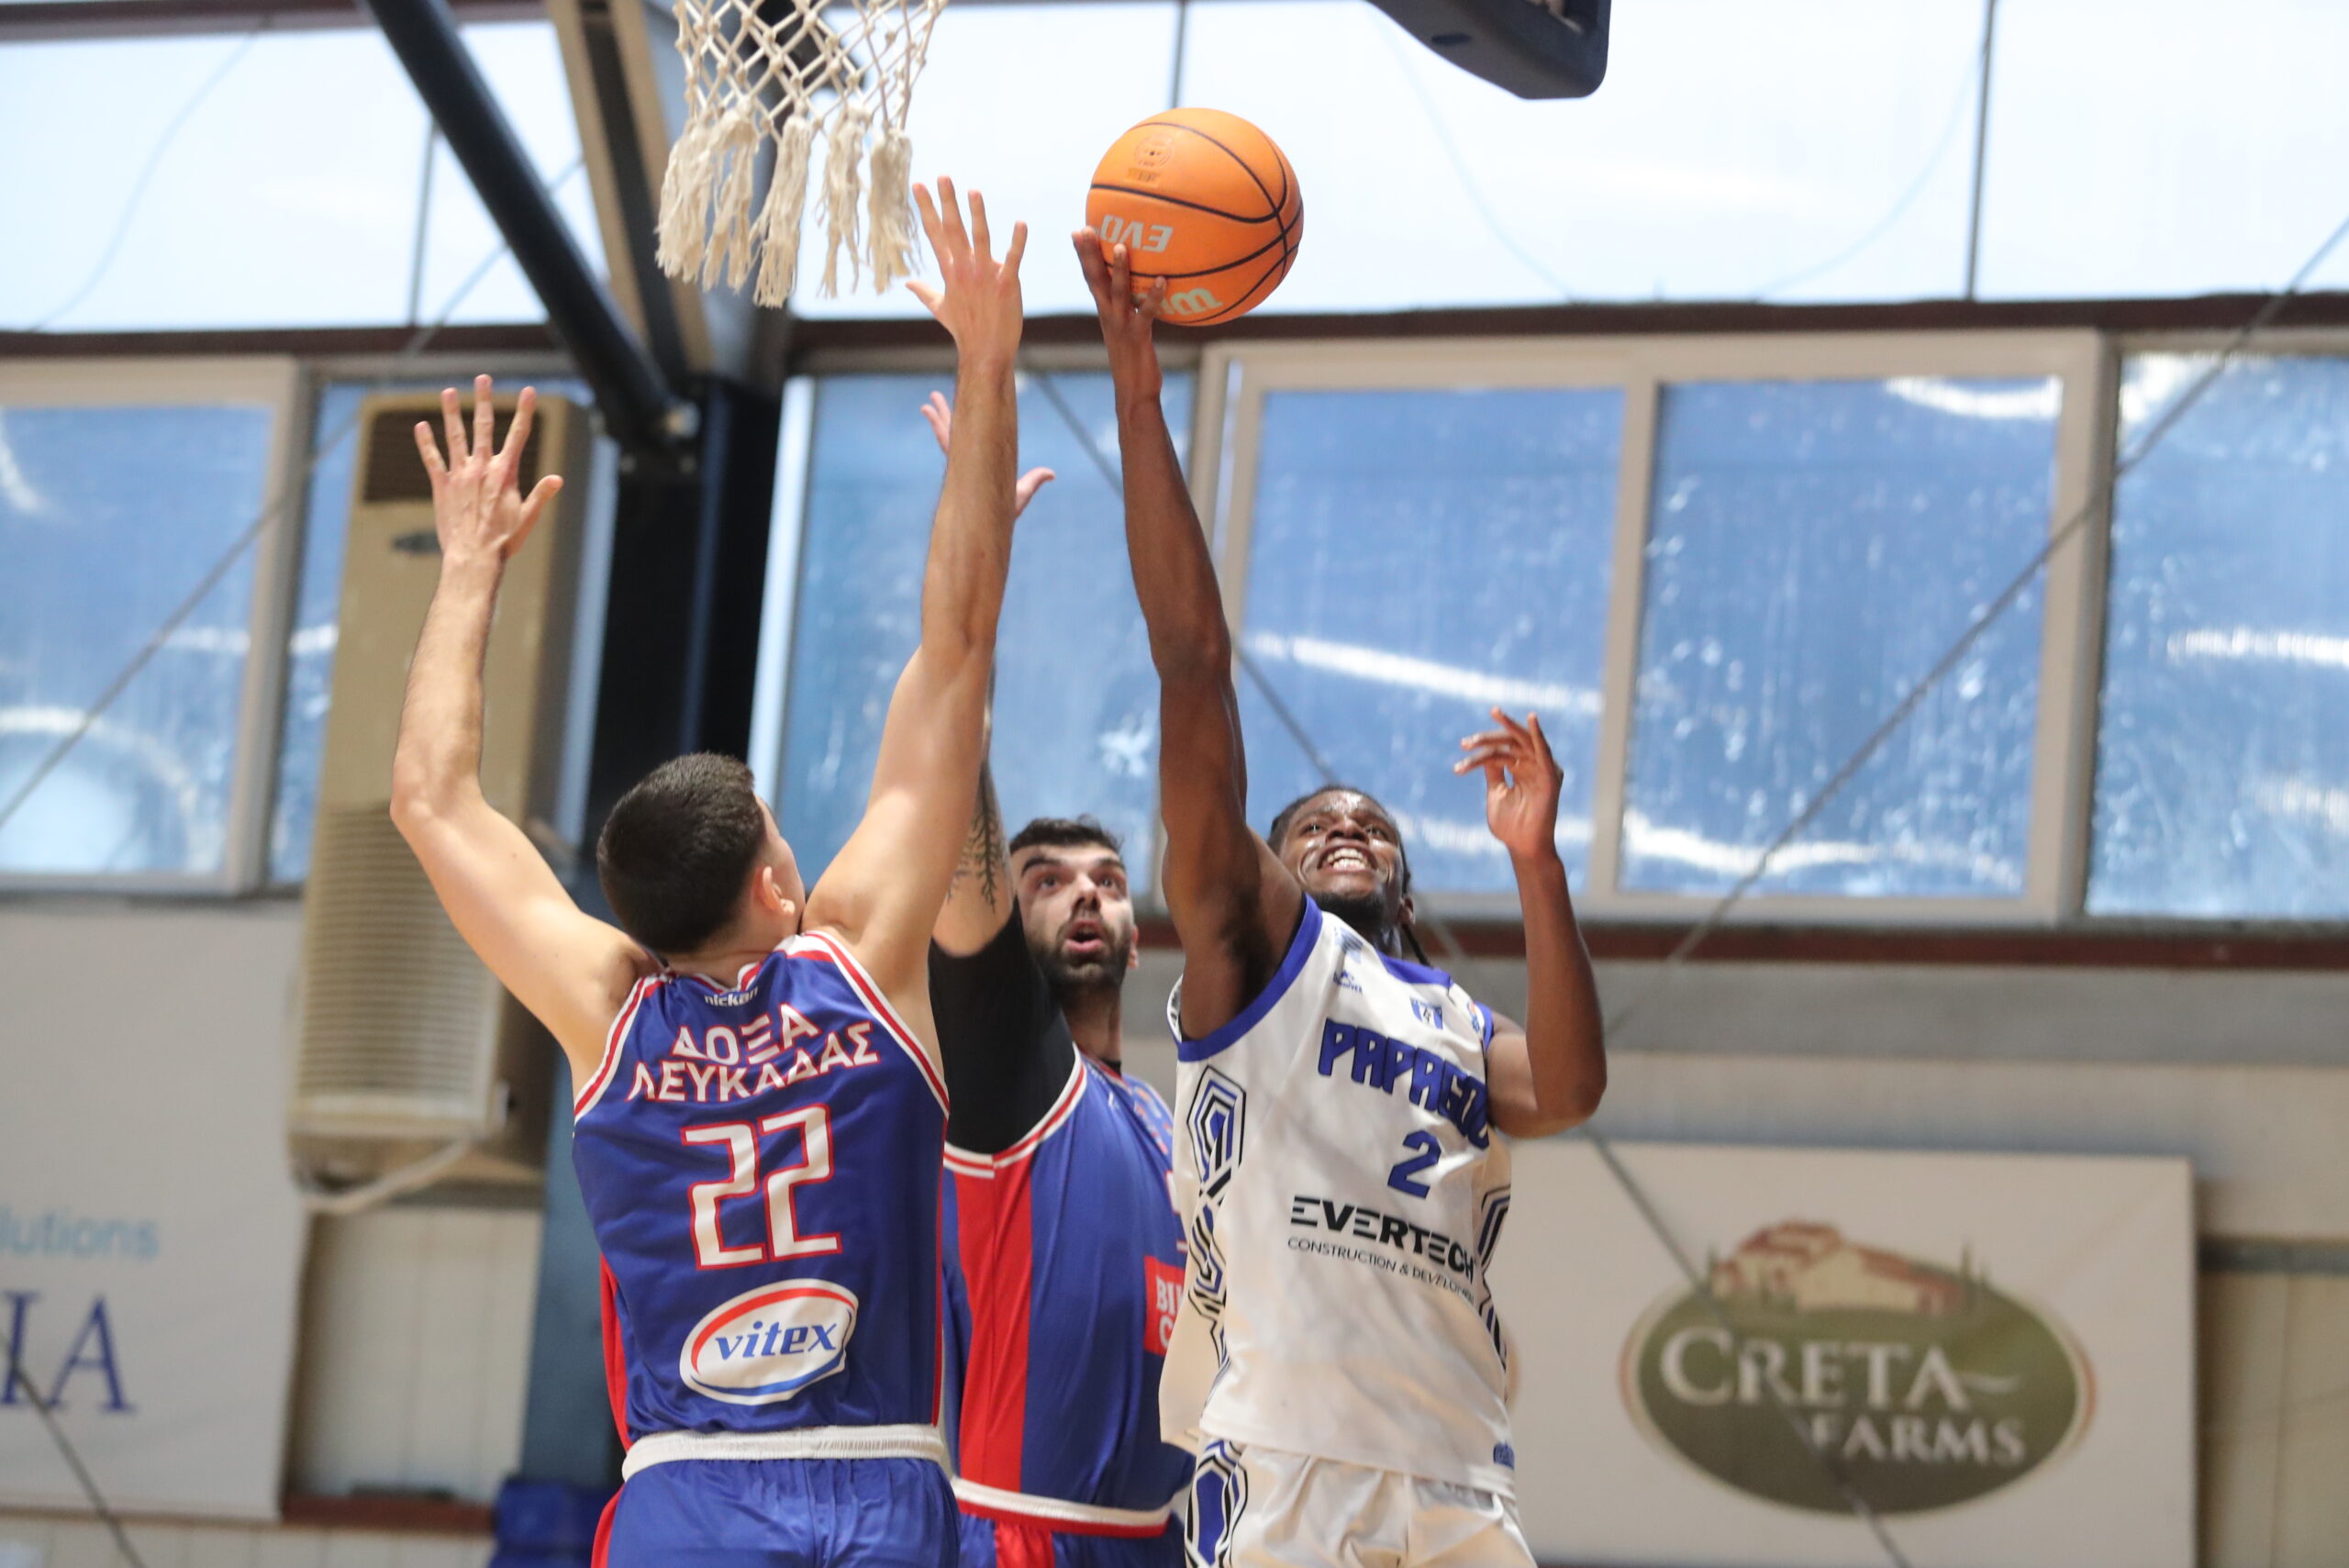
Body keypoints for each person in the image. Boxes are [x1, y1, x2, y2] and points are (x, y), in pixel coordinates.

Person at [389, 178, 1028, 1568]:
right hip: (875, 1489)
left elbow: (430, 799)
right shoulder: (858, 958)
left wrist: (468, 565)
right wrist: (986, 376)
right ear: (775, 889)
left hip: (686, 1498)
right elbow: (957, 649)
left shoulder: (605, 1006)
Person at [1074, 231, 1609, 1568]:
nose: (1349, 826)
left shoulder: (1456, 1021)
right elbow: (1193, 661)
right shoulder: (1254, 950)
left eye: (1372, 823)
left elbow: (1572, 1086)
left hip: (1458, 1464)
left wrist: (1539, 865)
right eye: (1316, 825)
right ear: (1268, 862)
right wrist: (1140, 398)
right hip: (1288, 1455)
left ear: (1406, 880)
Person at [914, 394, 1191, 1568]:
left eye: (1108, 880)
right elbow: (947, 781)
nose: (1085, 894)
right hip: (1019, 1534)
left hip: (1160, 1539)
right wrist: (978, 546)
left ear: (1134, 926)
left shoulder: (1171, 1122)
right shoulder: (1010, 1080)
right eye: (1045, 880)